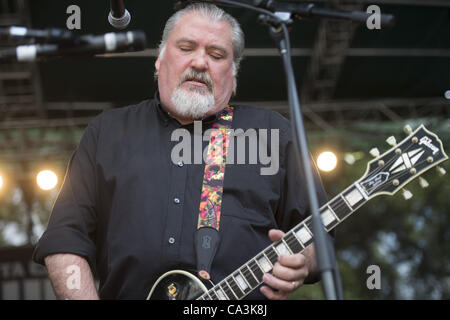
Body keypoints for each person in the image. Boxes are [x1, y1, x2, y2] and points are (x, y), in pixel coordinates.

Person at [33, 3, 330, 300]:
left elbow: (319, 238)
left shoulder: (272, 134)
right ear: (160, 60)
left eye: (216, 55)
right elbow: (66, 239)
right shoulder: (107, 132)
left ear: (234, 75)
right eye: (186, 48)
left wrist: (304, 262)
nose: (200, 63)